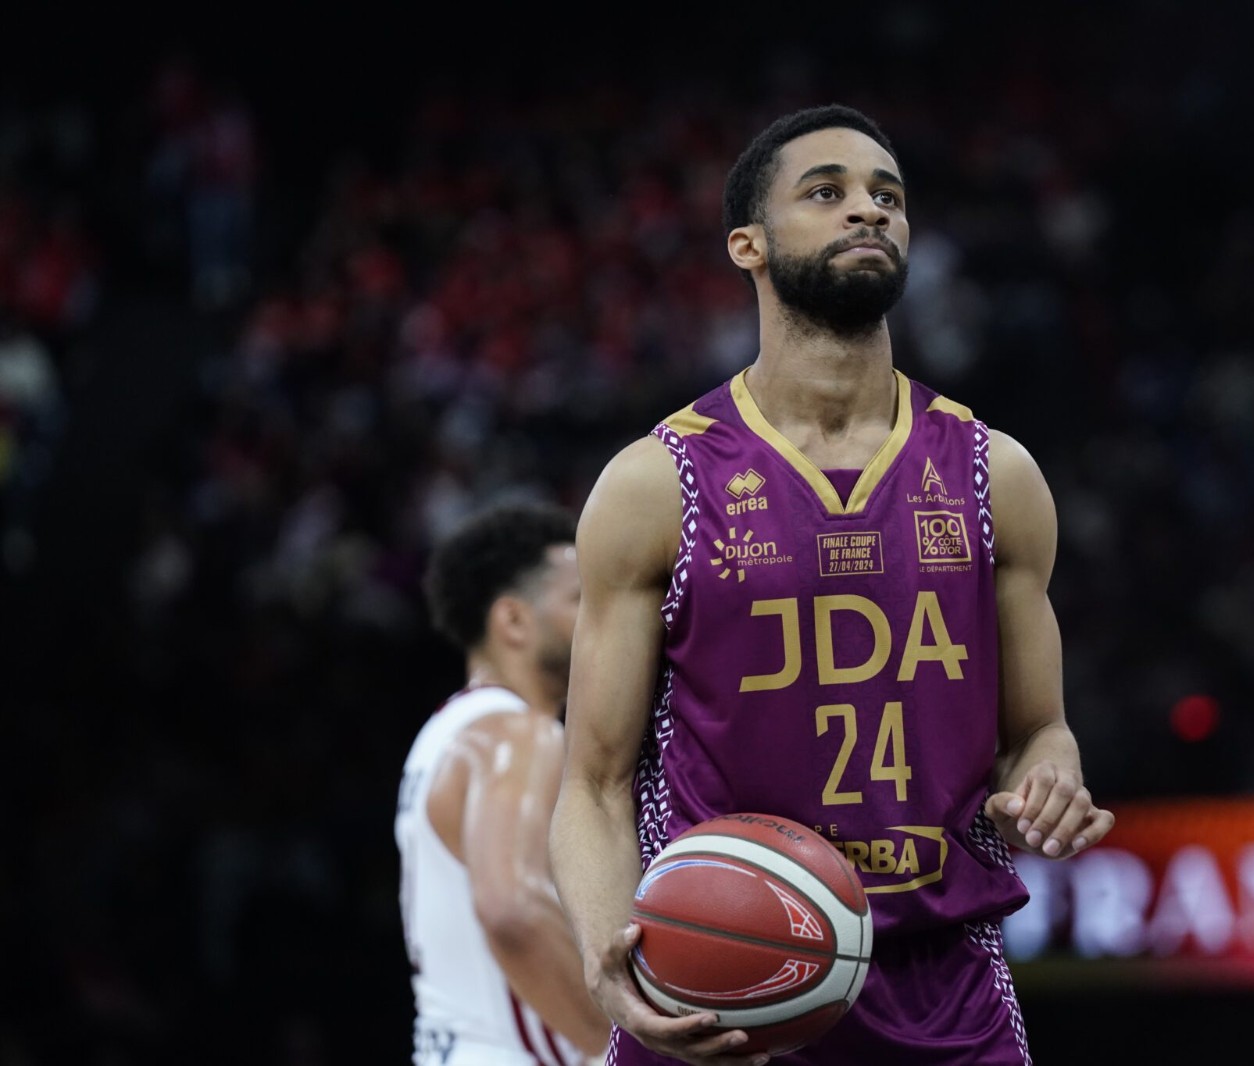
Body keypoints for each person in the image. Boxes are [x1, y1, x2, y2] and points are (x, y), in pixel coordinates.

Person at [549, 103, 1115, 1066]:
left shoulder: (996, 473)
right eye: (827, 192)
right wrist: (614, 969)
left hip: (942, 987)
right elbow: (594, 785)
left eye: (887, 196)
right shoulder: (658, 484)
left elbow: (1037, 731)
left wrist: (1049, 780)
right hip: (715, 979)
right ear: (749, 245)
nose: (868, 210)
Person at [397, 499, 611, 1066]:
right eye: (581, 599)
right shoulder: (519, 734)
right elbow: (512, 908)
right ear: (513, 620)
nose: (604, 617)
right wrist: (621, 1045)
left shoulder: (444, 733)